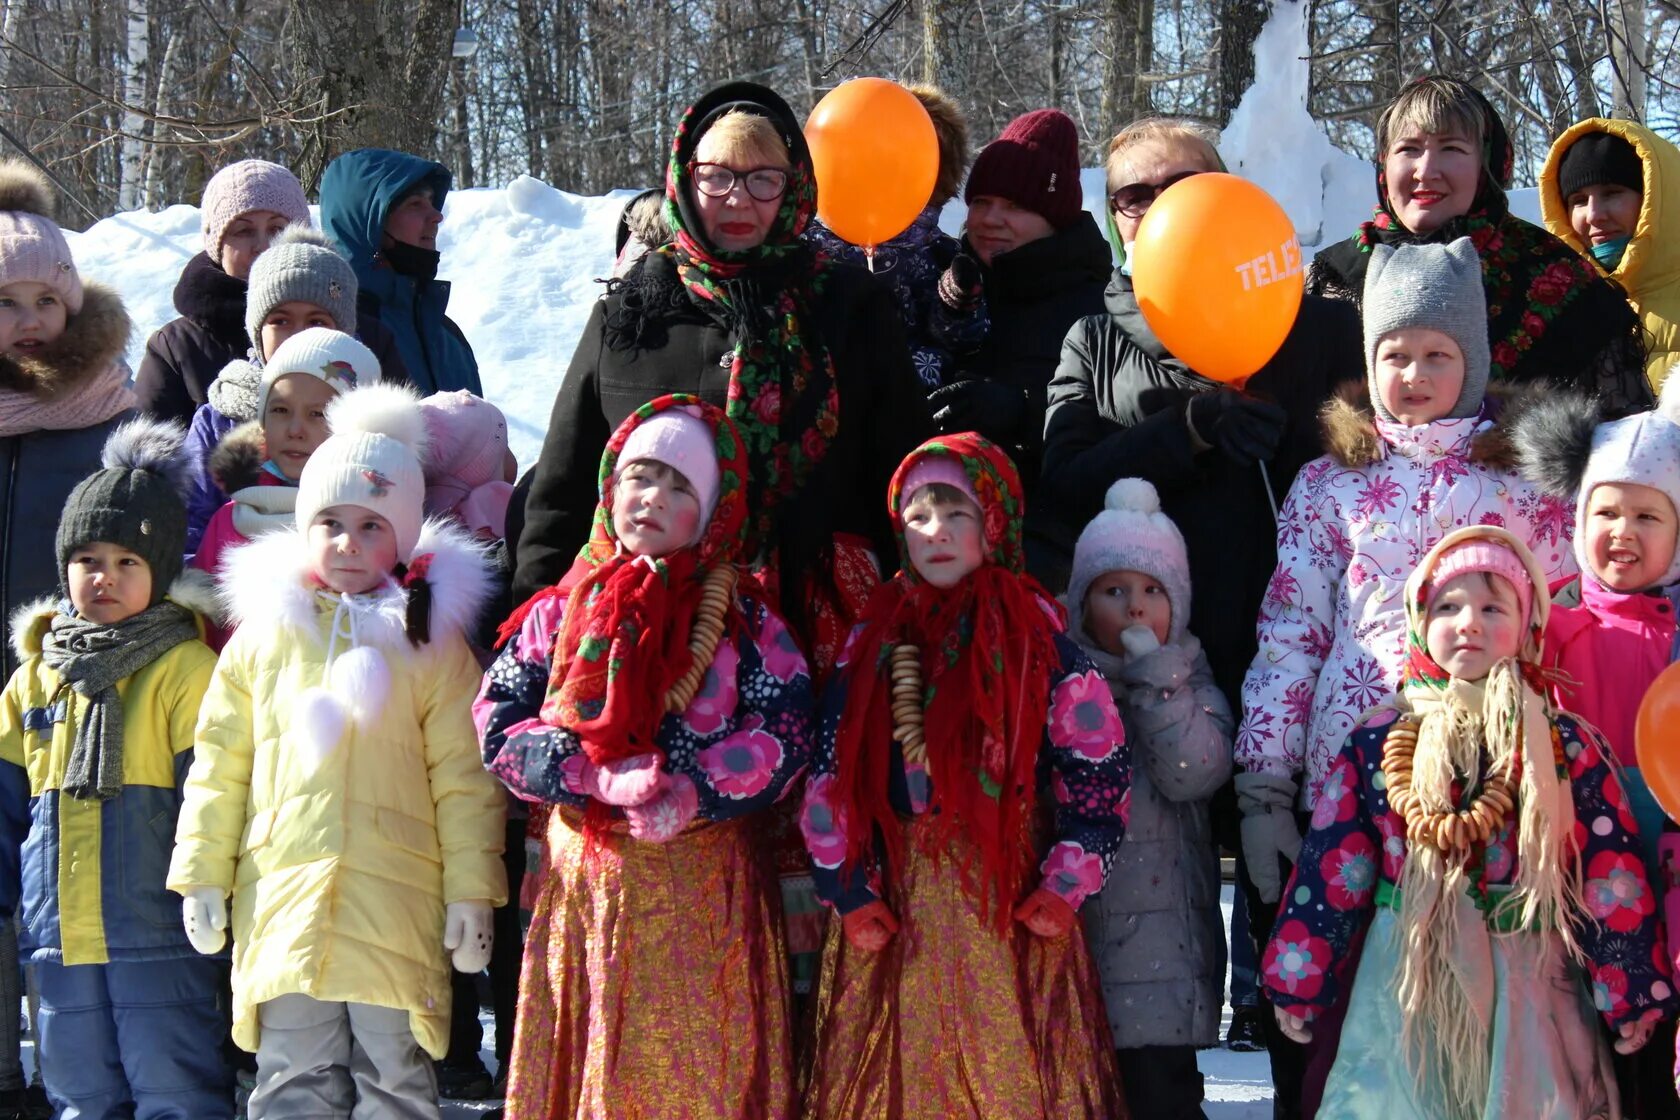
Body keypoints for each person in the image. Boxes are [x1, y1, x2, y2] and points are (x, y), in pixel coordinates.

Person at [1235, 237, 1577, 1116]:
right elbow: (1291, 633)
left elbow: (1565, 628)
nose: (1415, 374)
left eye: (1437, 354)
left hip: (1490, 790)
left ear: (1475, 360)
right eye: (1394, 355)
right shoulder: (1328, 487)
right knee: (1348, 1007)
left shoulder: (1526, 488)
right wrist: (1267, 785)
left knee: (1476, 1010)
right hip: (1350, 794)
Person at [513, 81, 930, 682]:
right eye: (717, 176)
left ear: (795, 188)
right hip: (645, 632)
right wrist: (534, 620)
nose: (739, 200)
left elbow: (900, 474)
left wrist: (917, 624)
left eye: (765, 179)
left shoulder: (849, 306)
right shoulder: (631, 312)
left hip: (818, 631)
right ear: (685, 178)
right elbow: (567, 483)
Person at [167, 385, 507, 1120]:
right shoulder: (264, 639)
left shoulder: (432, 648)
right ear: (303, 524)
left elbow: (464, 780)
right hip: (283, 898)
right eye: (330, 522)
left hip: (396, 902)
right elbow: (220, 765)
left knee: (394, 1076)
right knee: (292, 1075)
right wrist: (200, 875)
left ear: (407, 536)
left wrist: (470, 891)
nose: (348, 543)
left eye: (371, 526)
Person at [1263, 526, 1675, 1117]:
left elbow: (1610, 873)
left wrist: (1629, 989)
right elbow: (1336, 864)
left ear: (1529, 625)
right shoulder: (1380, 740)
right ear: (1419, 621)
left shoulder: (1564, 745)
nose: (1469, 622)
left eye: (1492, 606)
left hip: (1530, 978)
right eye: (1448, 606)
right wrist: (1300, 979)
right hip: (1407, 977)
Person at [478, 393, 813, 1119]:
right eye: (640, 476)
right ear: (610, 485)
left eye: (679, 485)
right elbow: (497, 725)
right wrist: (588, 774)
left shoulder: (744, 620)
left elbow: (787, 733)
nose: (653, 497)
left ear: (715, 509)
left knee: (700, 1074)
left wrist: (693, 791)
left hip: (706, 893)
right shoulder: (559, 612)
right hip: (587, 892)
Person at [798, 433, 1128, 1119]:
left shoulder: (1035, 639)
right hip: (897, 896)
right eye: (918, 516)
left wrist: (1067, 881)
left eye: (956, 514)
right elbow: (829, 769)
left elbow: (1094, 764)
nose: (935, 533)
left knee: (1009, 1072)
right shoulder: (874, 639)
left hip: (1009, 893)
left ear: (994, 524)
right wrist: (848, 887)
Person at [0, 419, 231, 1118]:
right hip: (58, 939)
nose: (104, 577)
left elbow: (211, 793)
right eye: (89, 559)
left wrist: (210, 888)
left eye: (128, 561)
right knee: (80, 1092)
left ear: (159, 570)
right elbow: (6, 803)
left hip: (159, 934)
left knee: (175, 1088)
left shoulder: (185, 668)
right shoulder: (33, 680)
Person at [0, 161, 137, 1116]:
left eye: (48, 299)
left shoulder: (106, 413)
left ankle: (77, 1067)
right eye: (6, 301)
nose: (29, 320)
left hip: (64, 686)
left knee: (53, 875)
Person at [1515, 379, 1680, 1116]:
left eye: (1648, 516)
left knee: (1656, 1032)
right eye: (1605, 511)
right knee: (1582, 1039)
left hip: (1668, 863)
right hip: (1576, 867)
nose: (1623, 530)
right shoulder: (1549, 623)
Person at [1308, 75, 1652, 418]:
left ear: (1486, 165)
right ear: (1384, 164)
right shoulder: (1334, 277)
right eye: (1409, 148)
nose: (1426, 171)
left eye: (1451, 148)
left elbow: (1624, 442)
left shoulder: (1560, 280)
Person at [1067, 478, 1231, 1119]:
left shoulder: (1189, 678)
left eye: (1153, 591)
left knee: (1162, 1096)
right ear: (1081, 606)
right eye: (1114, 591)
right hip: (1081, 944)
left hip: (1163, 959)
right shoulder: (1062, 680)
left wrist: (1158, 684)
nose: (1136, 609)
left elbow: (1194, 771)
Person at [928, 108, 1111, 515]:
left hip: (1047, 534)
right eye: (981, 201)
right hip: (931, 529)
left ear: (1054, 217)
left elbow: (1116, 430)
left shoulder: (1099, 307)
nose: (991, 219)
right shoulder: (942, 281)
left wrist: (1020, 410)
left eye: (1015, 205)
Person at [135, 160, 405, 428]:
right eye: (243, 231)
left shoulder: (365, 336)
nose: (262, 245)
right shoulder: (177, 348)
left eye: (277, 229)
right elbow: (151, 458)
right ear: (217, 245)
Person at [182, 226, 402, 552]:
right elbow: (188, 525)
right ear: (257, 330)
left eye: (316, 321)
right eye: (280, 320)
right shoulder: (219, 422)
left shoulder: (370, 423)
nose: (298, 334)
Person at [807, 83, 985, 391]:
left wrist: (955, 305)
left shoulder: (940, 253)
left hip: (915, 396)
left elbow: (964, 341)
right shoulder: (811, 246)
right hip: (827, 398)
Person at [191, 328, 383, 592]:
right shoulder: (231, 520)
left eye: (317, 414)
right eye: (280, 410)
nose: (294, 430)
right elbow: (205, 620)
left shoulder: (381, 515)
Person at [320, 149, 480, 396]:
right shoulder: (338, 334)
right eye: (415, 204)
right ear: (369, 221)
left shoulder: (449, 337)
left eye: (432, 203)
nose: (437, 216)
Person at [1541, 119, 1680, 394]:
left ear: (1657, 200)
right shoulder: (1559, 309)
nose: (1594, 215)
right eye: (1578, 201)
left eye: (1612, 193)